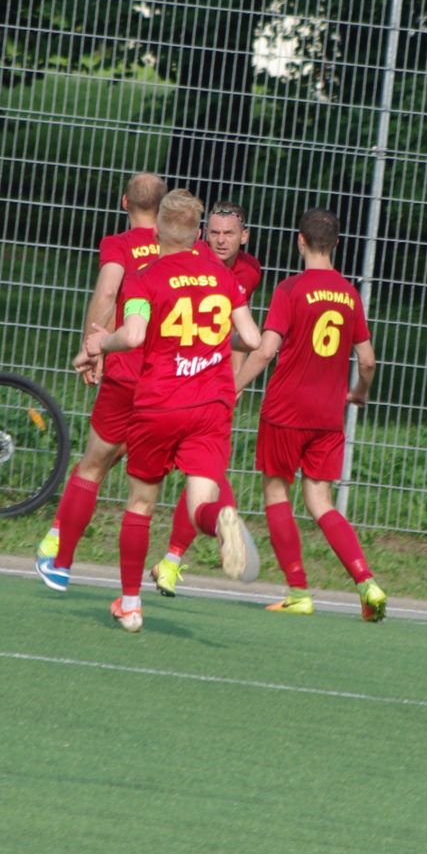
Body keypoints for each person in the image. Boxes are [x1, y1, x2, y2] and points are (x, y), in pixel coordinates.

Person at [78, 189, 263, 632]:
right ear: (199, 233)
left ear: (157, 231)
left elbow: (134, 335)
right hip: (211, 406)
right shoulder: (222, 277)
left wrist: (100, 342)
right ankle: (219, 522)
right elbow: (254, 339)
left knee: (141, 504)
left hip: (160, 404)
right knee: (201, 503)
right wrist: (213, 339)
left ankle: (130, 604)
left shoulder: (144, 278)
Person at [228, 208, 385, 620]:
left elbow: (265, 350)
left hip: (286, 410)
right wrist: (359, 393)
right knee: (321, 501)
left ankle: (298, 590)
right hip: (328, 415)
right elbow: (368, 360)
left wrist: (232, 387)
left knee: (276, 492)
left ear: (300, 241)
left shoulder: (291, 290)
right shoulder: (350, 294)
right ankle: (366, 582)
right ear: (336, 244)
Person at [35, 172, 165, 590]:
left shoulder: (120, 244)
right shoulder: (184, 249)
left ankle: (60, 555)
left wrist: (93, 347)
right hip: (169, 380)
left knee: (94, 464)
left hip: (126, 370)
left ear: (125, 202)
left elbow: (108, 294)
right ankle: (144, 581)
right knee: (145, 488)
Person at [151, 200, 263, 593]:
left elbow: (236, 333)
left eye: (228, 233)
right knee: (202, 478)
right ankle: (64, 534)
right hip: (167, 381)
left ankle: (169, 563)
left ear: (244, 236)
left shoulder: (249, 271)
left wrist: (233, 383)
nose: (220, 240)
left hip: (205, 389)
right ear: (202, 233)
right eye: (214, 232)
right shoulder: (190, 257)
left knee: (205, 477)